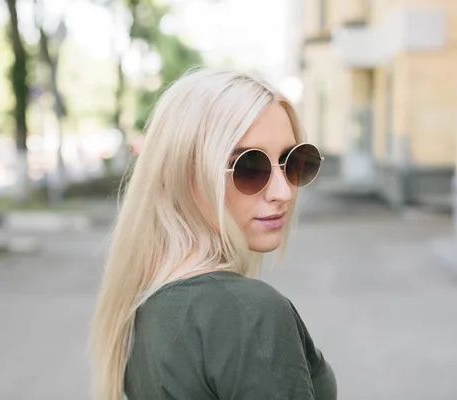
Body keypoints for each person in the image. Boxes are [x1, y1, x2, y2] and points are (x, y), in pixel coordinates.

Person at [88, 67, 337, 400]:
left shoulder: (144, 304)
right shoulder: (248, 313)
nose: (284, 192)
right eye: (250, 167)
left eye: (292, 162)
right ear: (184, 173)